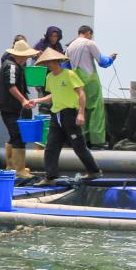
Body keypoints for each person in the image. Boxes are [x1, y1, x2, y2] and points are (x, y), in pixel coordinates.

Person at [29, 47, 101, 183]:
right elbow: (53, 95)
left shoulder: (69, 74)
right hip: (56, 115)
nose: (48, 65)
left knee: (78, 145)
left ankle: (94, 171)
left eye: (50, 62)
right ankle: (50, 176)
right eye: (46, 63)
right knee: (51, 147)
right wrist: (37, 100)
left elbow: (81, 93)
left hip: (70, 113)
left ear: (57, 61)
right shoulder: (49, 77)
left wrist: (80, 113)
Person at [65, 25, 117, 148]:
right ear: (88, 33)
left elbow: (66, 66)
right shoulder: (89, 43)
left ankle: (84, 139)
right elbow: (102, 62)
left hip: (76, 81)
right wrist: (111, 58)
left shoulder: (70, 47)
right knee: (96, 110)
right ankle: (97, 141)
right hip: (90, 80)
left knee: (82, 109)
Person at [0, 39, 38, 179]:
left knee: (14, 135)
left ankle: (12, 166)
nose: (27, 58)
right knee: (18, 135)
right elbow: (11, 86)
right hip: (10, 107)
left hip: (10, 107)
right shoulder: (12, 66)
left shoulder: (13, 65)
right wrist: (23, 100)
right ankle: (18, 169)